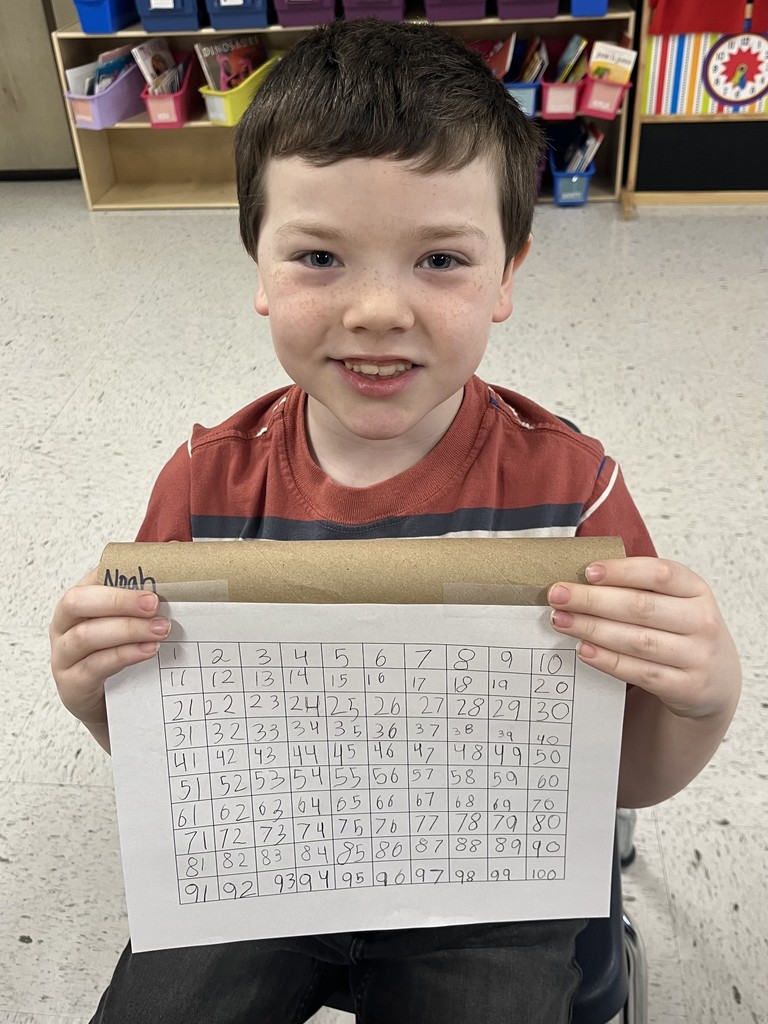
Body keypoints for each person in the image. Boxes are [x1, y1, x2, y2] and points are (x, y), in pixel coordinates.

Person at [49, 19, 741, 1024]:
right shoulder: (204, 488)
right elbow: (175, 752)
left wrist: (704, 698)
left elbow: (619, 772)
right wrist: (91, 693)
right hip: (268, 861)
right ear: (258, 267)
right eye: (321, 255)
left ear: (508, 273)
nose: (377, 308)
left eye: (441, 260)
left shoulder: (571, 490)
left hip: (486, 880)